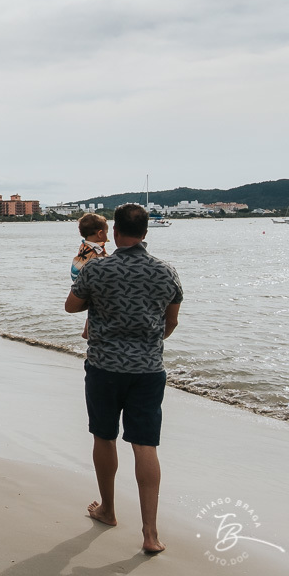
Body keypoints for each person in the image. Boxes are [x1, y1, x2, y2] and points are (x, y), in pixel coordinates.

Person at [64, 203, 182, 554]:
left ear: (115, 232)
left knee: (104, 436)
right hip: (148, 370)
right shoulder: (166, 271)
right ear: (145, 232)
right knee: (145, 445)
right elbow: (171, 322)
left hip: (104, 367)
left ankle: (108, 509)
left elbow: (71, 306)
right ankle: (150, 534)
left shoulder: (97, 268)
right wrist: (148, 342)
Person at [71, 213, 109, 339]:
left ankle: (86, 331)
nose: (107, 236)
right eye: (106, 232)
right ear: (100, 234)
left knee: (93, 304)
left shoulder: (85, 245)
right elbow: (102, 259)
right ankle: (86, 331)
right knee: (96, 303)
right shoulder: (95, 249)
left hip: (77, 273)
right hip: (85, 276)